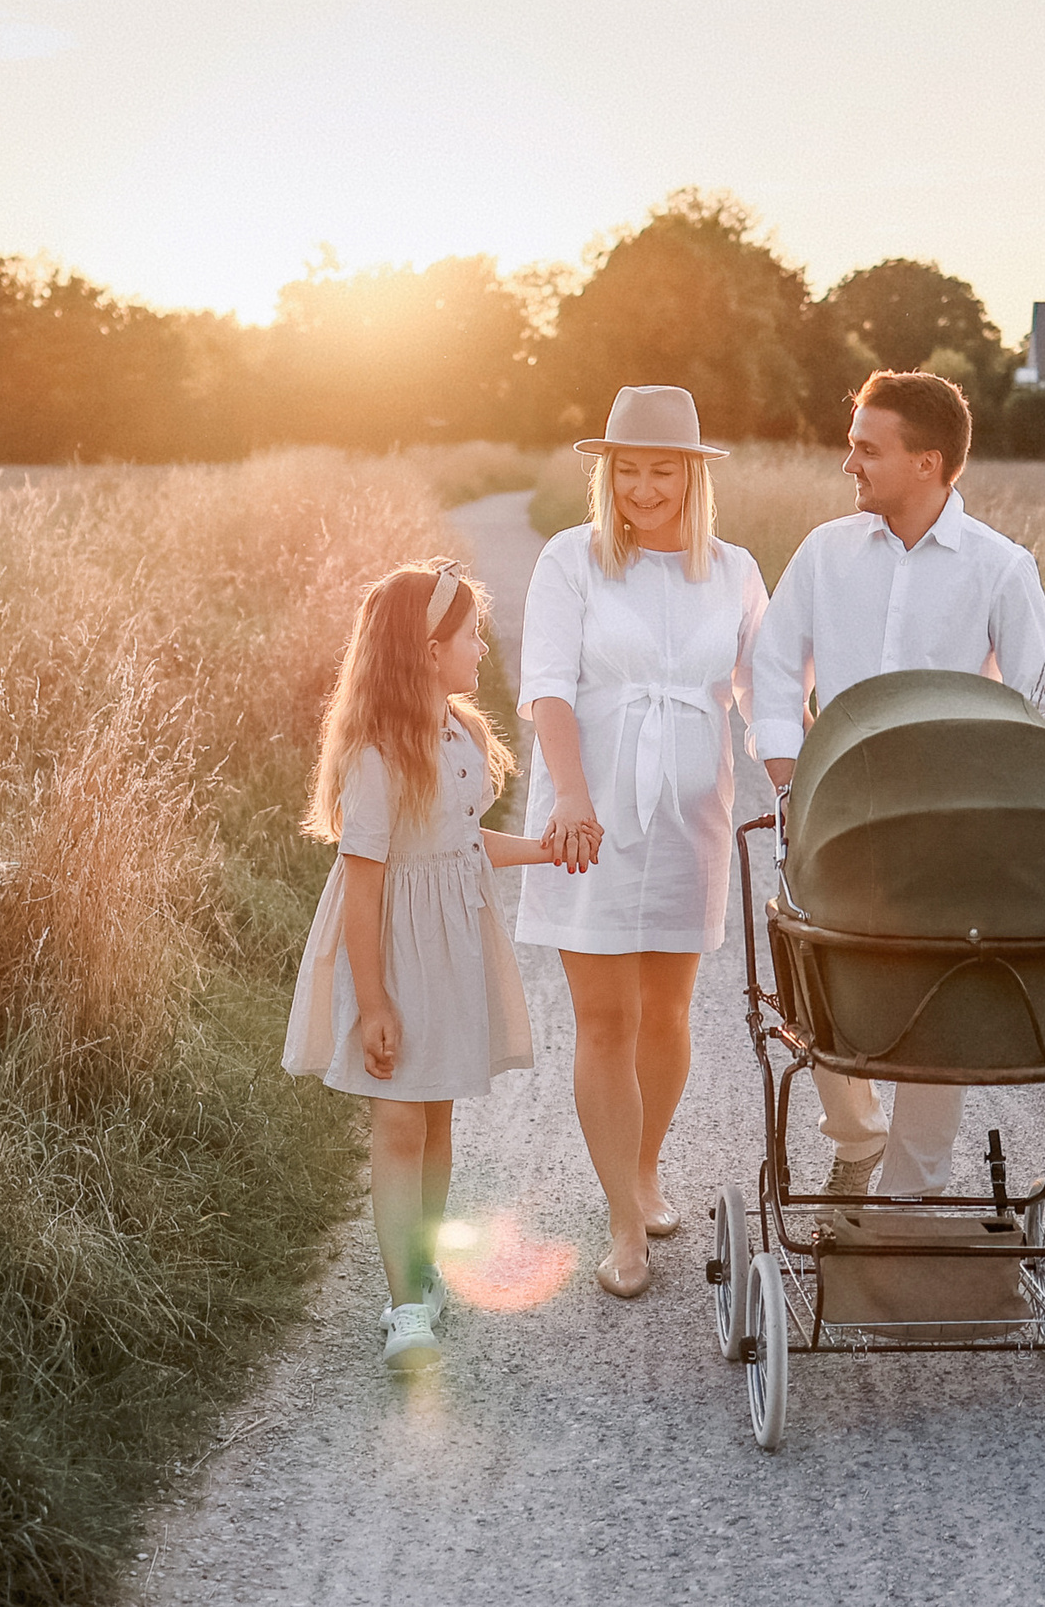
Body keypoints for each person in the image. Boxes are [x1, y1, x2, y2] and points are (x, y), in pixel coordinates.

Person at [752, 370, 1045, 1197]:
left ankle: (913, 1185)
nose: (848, 464)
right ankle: (856, 1140)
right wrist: (791, 785)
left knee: (939, 991)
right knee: (818, 971)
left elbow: (1041, 702)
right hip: (834, 815)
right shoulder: (825, 554)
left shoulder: (1000, 568)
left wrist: (989, 796)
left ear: (928, 462)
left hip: (949, 828)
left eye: (866, 448)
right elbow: (775, 670)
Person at [285, 560, 581, 1373]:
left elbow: (462, 842)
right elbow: (364, 886)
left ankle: (420, 1269)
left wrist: (543, 852)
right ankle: (404, 1305)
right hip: (391, 953)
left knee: (439, 1116)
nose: (482, 649)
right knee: (400, 1120)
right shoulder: (376, 757)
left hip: (450, 947)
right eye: (469, 636)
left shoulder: (462, 735)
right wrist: (372, 1002)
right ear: (426, 651)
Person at [518, 386, 769, 1299]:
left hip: (689, 816)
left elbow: (762, 693)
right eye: (627, 470)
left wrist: (802, 784)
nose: (644, 488)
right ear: (606, 473)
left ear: (694, 475)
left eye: (663, 470)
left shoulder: (735, 571)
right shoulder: (572, 560)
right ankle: (623, 1220)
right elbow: (546, 686)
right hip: (589, 815)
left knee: (667, 1014)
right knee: (606, 1020)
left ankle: (646, 1166)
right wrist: (572, 798)